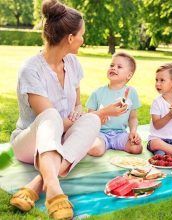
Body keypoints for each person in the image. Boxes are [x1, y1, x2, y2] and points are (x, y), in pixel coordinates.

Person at [9, 1, 126, 219]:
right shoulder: (30, 69)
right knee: (53, 115)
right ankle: (54, 188)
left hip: (63, 139)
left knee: (91, 122)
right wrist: (102, 112)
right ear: (70, 38)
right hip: (30, 143)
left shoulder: (72, 63)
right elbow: (50, 122)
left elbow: (77, 107)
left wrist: (88, 116)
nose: (83, 39)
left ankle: (38, 183)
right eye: (81, 34)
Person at [86, 52, 143, 156]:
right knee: (96, 150)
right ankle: (92, 143)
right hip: (100, 134)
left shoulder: (131, 92)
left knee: (137, 148)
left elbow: (133, 118)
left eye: (119, 67)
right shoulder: (97, 93)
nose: (113, 68)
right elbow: (89, 117)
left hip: (120, 134)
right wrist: (100, 117)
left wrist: (133, 132)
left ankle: (117, 144)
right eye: (111, 65)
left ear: (129, 75)